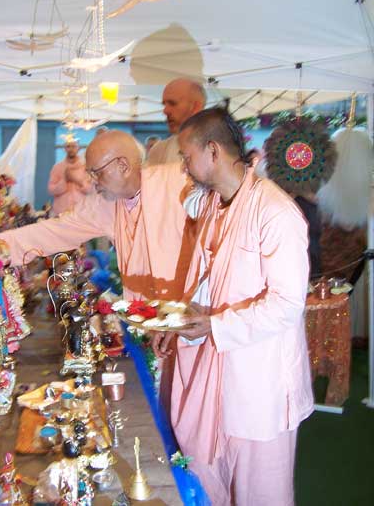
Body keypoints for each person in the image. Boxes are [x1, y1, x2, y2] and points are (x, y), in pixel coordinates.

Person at [153, 108, 314, 505]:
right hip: (218, 371)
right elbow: (205, 282)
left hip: (262, 384)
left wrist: (214, 327)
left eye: (187, 156)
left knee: (261, 493)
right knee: (212, 478)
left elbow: (287, 304)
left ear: (212, 152)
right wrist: (174, 321)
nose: (184, 165)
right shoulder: (213, 204)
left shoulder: (275, 212)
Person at [0, 130, 193, 305]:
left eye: (97, 173)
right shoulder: (104, 204)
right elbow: (55, 231)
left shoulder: (178, 182)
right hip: (148, 312)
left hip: (199, 309)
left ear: (123, 165)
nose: (93, 182)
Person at [147, 78, 206, 165]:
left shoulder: (220, 149)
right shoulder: (159, 151)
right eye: (164, 104)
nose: (165, 111)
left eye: (172, 103)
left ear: (196, 107)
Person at [48, 139, 92, 215]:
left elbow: (92, 190)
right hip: (61, 210)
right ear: (64, 148)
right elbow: (51, 190)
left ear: (78, 148)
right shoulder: (57, 167)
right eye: (68, 146)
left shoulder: (86, 167)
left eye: (74, 146)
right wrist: (64, 180)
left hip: (81, 210)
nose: (71, 149)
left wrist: (76, 180)